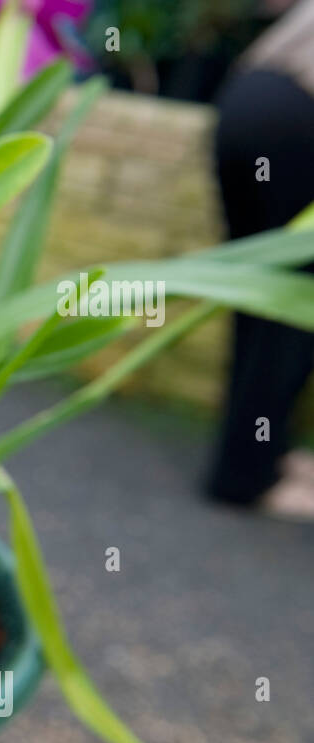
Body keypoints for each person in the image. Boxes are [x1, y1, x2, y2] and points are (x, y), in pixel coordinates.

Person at [206, 0, 314, 519]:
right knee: (290, 304)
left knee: (257, 298)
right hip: (296, 125)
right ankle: (245, 478)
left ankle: (264, 454)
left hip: (247, 104)